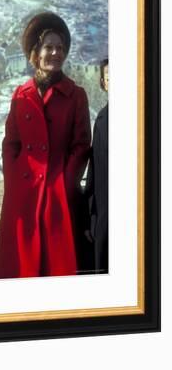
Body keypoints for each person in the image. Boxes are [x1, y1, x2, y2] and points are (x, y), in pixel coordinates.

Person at [0, 12, 92, 279]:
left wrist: (65, 179)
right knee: (20, 268)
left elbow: (81, 144)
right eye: (49, 47)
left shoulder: (76, 95)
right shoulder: (20, 94)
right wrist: (14, 181)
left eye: (60, 48)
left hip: (58, 193)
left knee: (56, 267)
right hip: (23, 194)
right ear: (36, 53)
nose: (55, 53)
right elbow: (10, 143)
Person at [85, 59, 109, 274]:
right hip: (106, 215)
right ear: (103, 83)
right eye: (109, 78)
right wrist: (91, 216)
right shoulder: (102, 120)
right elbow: (95, 171)